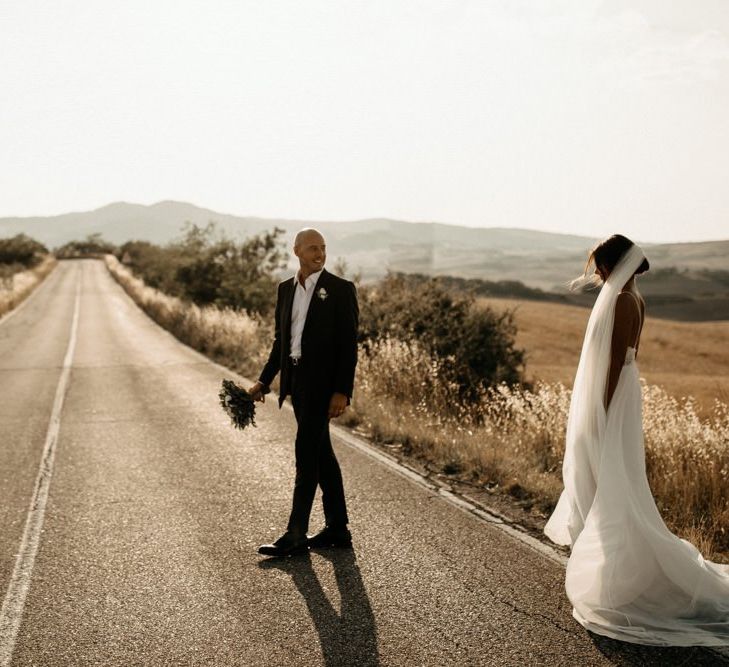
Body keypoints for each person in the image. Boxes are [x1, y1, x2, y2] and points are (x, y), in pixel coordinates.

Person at [545, 234, 729, 646]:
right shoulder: (631, 299)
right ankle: (609, 564)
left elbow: (613, 362)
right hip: (619, 394)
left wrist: (602, 409)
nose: (596, 274)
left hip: (613, 399)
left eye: (599, 266)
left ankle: (619, 573)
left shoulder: (625, 302)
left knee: (609, 476)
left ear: (613, 266)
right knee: (608, 475)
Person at [249, 228, 359, 557]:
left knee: (306, 456)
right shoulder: (286, 290)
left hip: (323, 387)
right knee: (321, 454)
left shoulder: (340, 290)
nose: (319, 253)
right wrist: (264, 381)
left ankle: (296, 533)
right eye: (312, 247)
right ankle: (338, 529)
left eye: (323, 248)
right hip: (297, 384)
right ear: (296, 250)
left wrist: (342, 391)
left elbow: (348, 347)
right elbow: (280, 342)